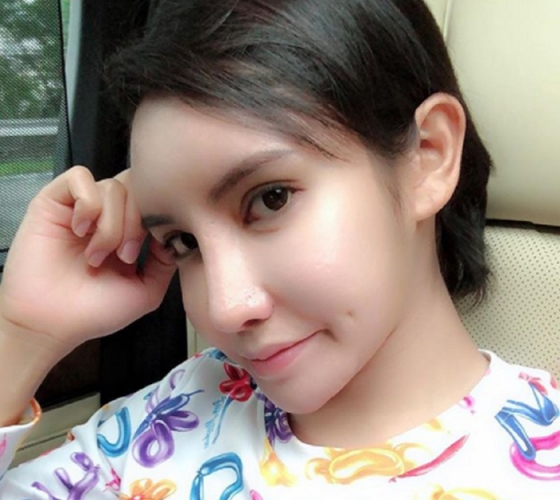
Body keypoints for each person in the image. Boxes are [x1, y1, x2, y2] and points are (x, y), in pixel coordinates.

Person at [0, 0, 558, 497]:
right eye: (184, 242)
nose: (225, 308)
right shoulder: (171, 414)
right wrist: (23, 334)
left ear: (428, 157)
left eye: (270, 200)